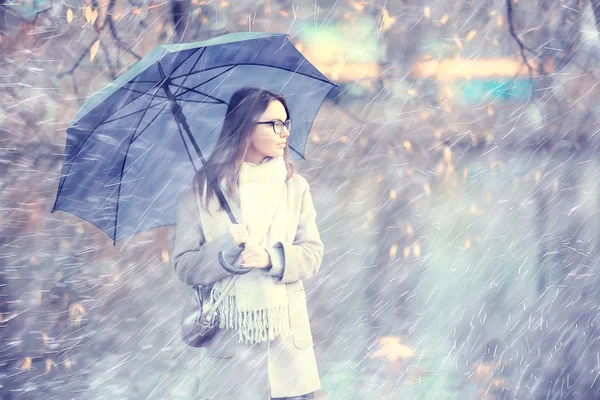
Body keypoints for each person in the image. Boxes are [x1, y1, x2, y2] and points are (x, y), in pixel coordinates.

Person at [171, 87, 324, 400]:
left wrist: (269, 258)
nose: (284, 133)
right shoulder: (202, 191)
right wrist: (225, 253)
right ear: (245, 127)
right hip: (230, 356)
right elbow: (185, 265)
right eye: (274, 124)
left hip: (288, 355)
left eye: (286, 123)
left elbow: (312, 253)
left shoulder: (294, 186)